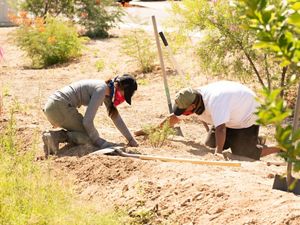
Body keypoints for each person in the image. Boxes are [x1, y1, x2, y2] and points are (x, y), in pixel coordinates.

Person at [153, 80, 280, 160]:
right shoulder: (193, 98)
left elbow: (221, 129)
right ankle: (255, 139)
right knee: (210, 144)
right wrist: (153, 131)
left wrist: (218, 154)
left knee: (244, 153)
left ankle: (279, 147)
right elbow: (174, 118)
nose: (183, 113)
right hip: (229, 117)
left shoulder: (215, 102)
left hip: (247, 116)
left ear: (192, 106)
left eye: (184, 110)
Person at [42, 74, 138, 158]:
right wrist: (99, 142)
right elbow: (87, 121)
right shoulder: (101, 89)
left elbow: (115, 117)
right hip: (59, 107)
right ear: (119, 87)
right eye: (124, 95)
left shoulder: (106, 90)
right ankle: (54, 136)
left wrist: (130, 139)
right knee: (88, 138)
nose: (123, 98)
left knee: (88, 135)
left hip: (54, 106)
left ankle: (55, 137)